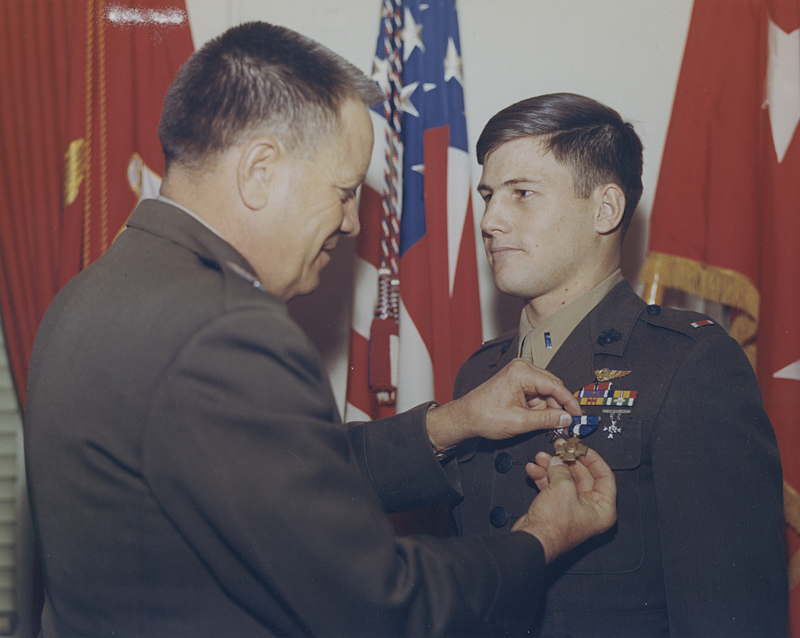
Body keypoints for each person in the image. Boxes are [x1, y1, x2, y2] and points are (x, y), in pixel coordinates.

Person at [23, 25, 617, 638]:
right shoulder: (224, 329)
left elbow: (275, 480)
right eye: (343, 192)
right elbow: (377, 602)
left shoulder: (91, 293)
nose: (353, 223)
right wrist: (539, 538)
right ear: (259, 171)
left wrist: (453, 422)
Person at [442, 93, 788, 637]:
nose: (490, 220)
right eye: (488, 196)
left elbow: (731, 613)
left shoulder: (687, 363)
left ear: (605, 209)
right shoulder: (479, 374)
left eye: (522, 193)